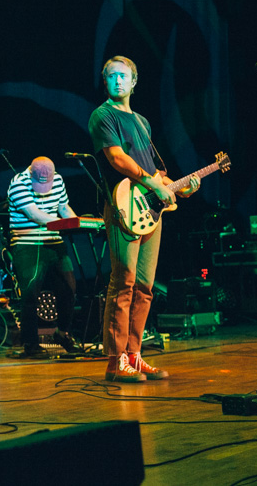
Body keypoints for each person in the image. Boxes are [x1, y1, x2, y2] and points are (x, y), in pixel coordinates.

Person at [88, 56, 199, 382]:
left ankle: (134, 355)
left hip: (150, 210)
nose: (118, 81)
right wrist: (152, 183)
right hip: (123, 206)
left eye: (124, 76)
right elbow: (117, 158)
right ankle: (115, 360)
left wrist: (180, 187)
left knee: (145, 286)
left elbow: (157, 171)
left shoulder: (142, 122)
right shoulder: (103, 115)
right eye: (111, 77)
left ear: (135, 82)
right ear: (105, 82)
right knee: (122, 281)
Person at [6, 156, 83, 357]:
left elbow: (64, 207)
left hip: (53, 241)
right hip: (26, 243)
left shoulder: (57, 180)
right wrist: (66, 224)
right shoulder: (18, 184)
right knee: (31, 293)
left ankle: (62, 333)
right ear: (30, 173)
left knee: (69, 288)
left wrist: (78, 222)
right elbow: (35, 215)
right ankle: (30, 344)